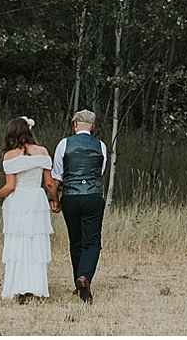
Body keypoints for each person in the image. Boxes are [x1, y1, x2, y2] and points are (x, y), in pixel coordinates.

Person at [0, 116, 60, 303]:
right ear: (29, 131)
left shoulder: (10, 155)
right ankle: (35, 287)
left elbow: (10, 186)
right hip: (36, 200)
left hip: (18, 201)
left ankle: (19, 287)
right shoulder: (42, 151)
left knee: (18, 244)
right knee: (35, 242)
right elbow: (50, 183)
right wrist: (55, 200)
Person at [51, 109, 106, 304]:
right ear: (92, 127)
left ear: (75, 124)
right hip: (92, 196)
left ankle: (78, 281)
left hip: (71, 197)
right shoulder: (101, 146)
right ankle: (84, 277)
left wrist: (54, 199)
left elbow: (57, 175)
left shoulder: (64, 144)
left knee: (75, 240)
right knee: (92, 241)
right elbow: (100, 171)